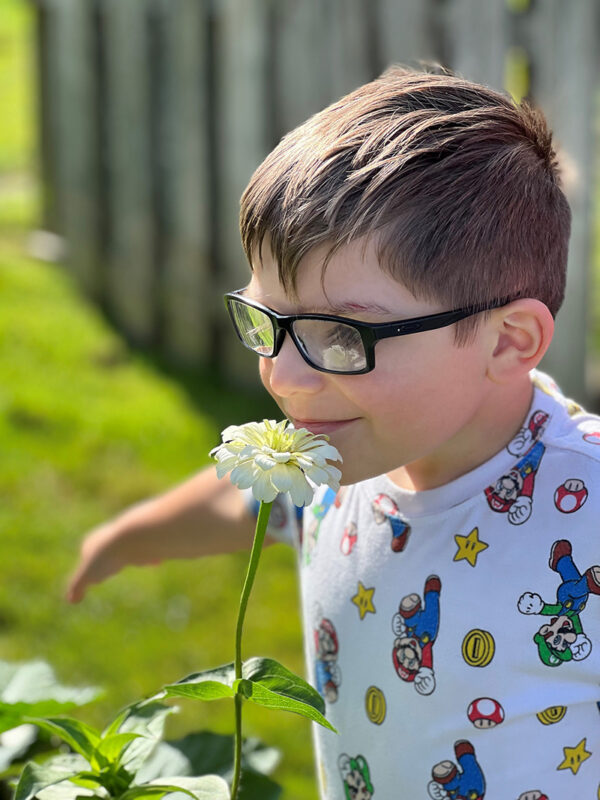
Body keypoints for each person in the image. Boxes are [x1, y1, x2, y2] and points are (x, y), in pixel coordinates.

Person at [68, 68, 600, 798]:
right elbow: (255, 500)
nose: (284, 377)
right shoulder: (338, 462)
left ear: (508, 341)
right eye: (267, 322)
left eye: (342, 336)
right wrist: (128, 538)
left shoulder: (589, 507)